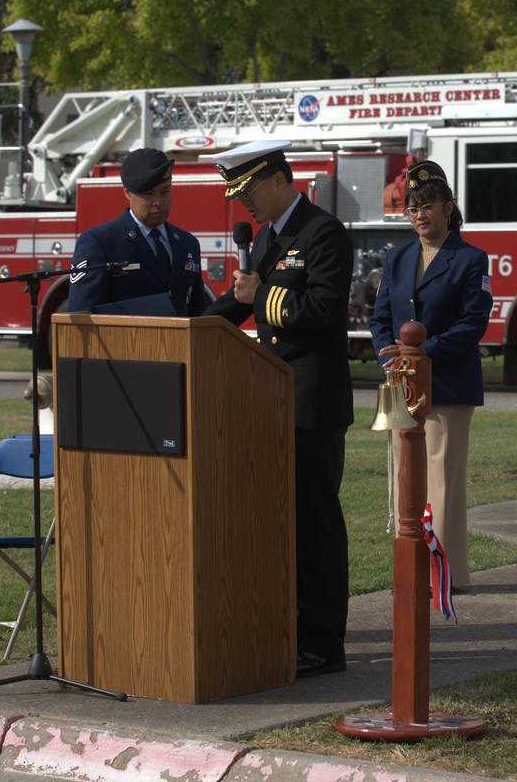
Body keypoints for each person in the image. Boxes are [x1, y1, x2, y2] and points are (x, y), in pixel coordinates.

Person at [203, 140, 354, 678]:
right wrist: (190, 329)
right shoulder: (269, 238)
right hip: (270, 404)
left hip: (311, 405)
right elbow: (237, 302)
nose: (242, 203)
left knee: (315, 526)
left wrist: (261, 292)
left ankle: (324, 643)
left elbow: (322, 310)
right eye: (235, 193)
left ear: (277, 179)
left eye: (246, 191)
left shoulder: (323, 232)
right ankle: (287, 629)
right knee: (281, 525)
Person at [369, 160, 493, 590]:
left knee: (441, 482)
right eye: (412, 208)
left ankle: (447, 574)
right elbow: (380, 317)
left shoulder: (471, 259)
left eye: (428, 206)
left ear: (447, 208)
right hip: (403, 385)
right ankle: (412, 568)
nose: (420, 215)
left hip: (447, 385)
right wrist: (391, 358)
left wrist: (421, 354)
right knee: (406, 481)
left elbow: (472, 323)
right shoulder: (397, 258)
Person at [67, 147, 208, 315]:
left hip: (179, 341)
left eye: (165, 191)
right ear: (127, 192)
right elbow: (81, 315)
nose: (158, 202)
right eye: (148, 194)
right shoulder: (100, 242)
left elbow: (199, 314)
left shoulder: (187, 244)